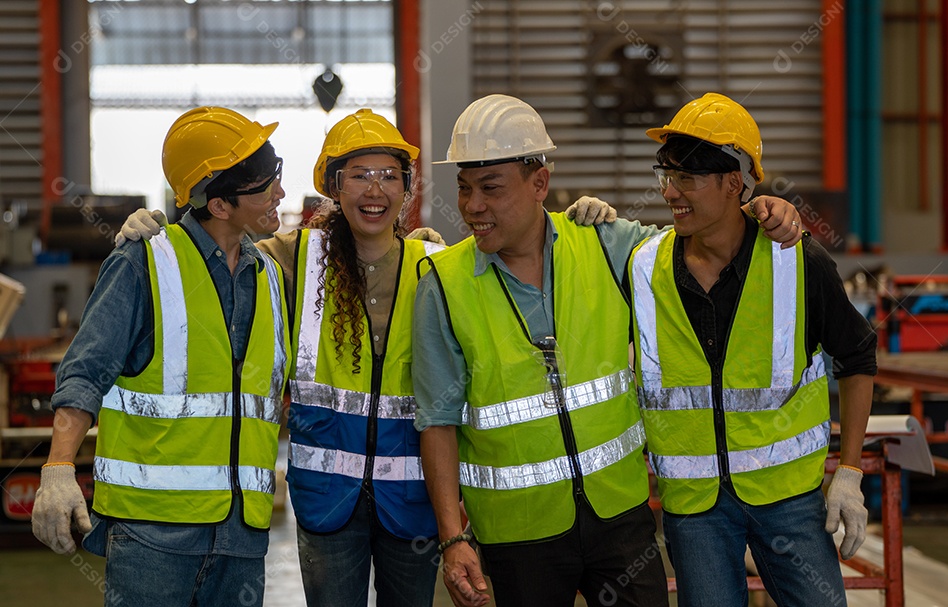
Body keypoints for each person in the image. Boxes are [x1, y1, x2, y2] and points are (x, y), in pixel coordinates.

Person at [116, 108, 618, 606]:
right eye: (359, 176)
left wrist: (577, 223)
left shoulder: (438, 266)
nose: (374, 190)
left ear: (406, 187)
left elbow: (519, 247)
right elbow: (218, 245)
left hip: (412, 506)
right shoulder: (289, 258)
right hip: (326, 502)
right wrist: (162, 233)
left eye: (388, 176)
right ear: (335, 186)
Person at [412, 93, 804, 607]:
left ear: (539, 184)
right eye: (463, 190)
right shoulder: (442, 282)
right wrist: (452, 536)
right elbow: (436, 419)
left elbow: (703, 238)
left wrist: (759, 208)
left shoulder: (605, 245)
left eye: (490, 188)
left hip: (620, 520)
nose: (472, 207)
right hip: (516, 531)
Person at [31, 106, 292, 607]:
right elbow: (85, 371)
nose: (279, 192)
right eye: (265, 184)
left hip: (241, 536)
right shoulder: (141, 260)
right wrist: (58, 468)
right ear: (219, 204)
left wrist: (413, 248)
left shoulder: (270, 276)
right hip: (154, 539)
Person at [628, 92, 876, 607]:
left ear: (733, 183)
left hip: (788, 500)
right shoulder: (643, 266)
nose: (671, 192)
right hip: (694, 508)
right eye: (665, 176)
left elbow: (857, 357)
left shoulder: (796, 261)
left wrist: (849, 472)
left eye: (687, 179)